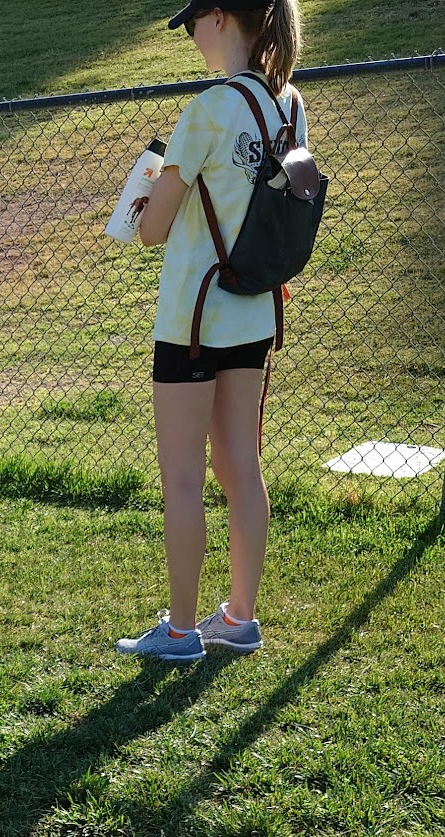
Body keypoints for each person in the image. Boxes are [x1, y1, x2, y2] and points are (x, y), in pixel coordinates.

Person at [117, 0, 306, 663]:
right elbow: (295, 198)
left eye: (195, 21)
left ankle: (179, 632)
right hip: (254, 310)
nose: (193, 35)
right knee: (240, 468)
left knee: (182, 481)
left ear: (221, 17)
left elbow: (152, 230)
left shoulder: (206, 111)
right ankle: (239, 618)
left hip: (192, 318)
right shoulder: (291, 106)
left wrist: (143, 200)